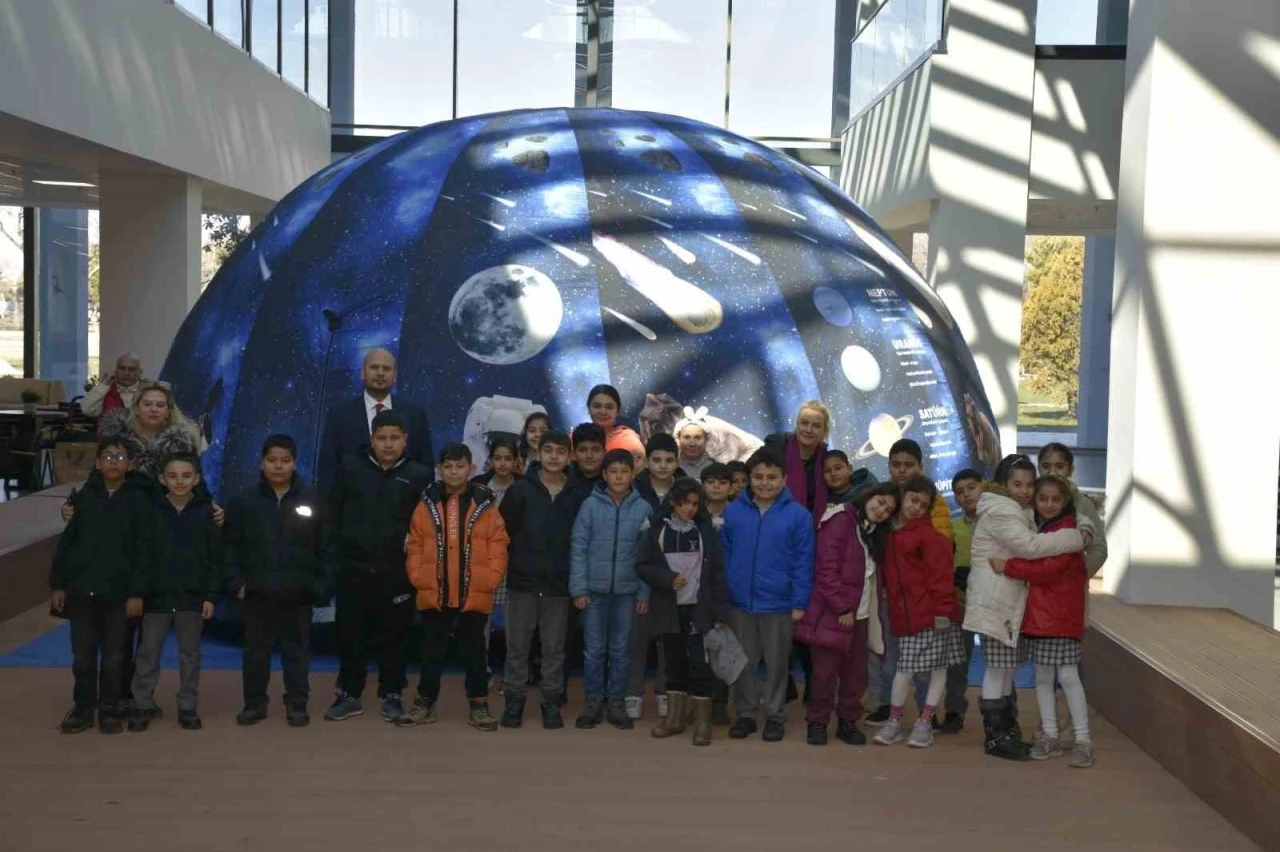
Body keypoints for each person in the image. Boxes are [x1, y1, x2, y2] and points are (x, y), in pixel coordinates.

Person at [964, 454, 1091, 760]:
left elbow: (1066, 506)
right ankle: (997, 738)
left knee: (1006, 669)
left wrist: (1084, 521)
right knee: (997, 669)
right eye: (1017, 484)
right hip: (997, 602)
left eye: (1029, 484)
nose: (1024, 490)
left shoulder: (1021, 510)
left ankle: (1007, 732)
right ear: (1003, 484)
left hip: (1009, 603)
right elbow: (1031, 547)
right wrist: (1076, 537)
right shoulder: (1002, 510)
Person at [323, 411, 433, 724]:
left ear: (405, 440)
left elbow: (427, 526)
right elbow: (332, 515)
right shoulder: (350, 467)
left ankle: (392, 693)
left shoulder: (419, 475)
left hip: (397, 572)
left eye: (394, 438)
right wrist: (334, 557)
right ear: (371, 439)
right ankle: (349, 693)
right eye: (382, 438)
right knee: (349, 634)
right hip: (353, 567)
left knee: (395, 636)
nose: (388, 444)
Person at [399, 442, 509, 731]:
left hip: (474, 591)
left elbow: (498, 543)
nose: (454, 472)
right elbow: (414, 543)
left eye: (460, 466)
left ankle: (479, 705)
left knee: (475, 652)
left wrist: (490, 578)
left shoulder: (485, 504)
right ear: (439, 470)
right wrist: (418, 577)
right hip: (435, 590)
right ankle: (425, 703)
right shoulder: (426, 504)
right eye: (448, 467)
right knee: (432, 651)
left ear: (471, 469)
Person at [49, 437, 153, 735]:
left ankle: (109, 709)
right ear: (97, 463)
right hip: (82, 593)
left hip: (119, 595)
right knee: (82, 658)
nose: (113, 461)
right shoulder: (84, 497)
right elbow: (67, 545)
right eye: (107, 456)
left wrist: (137, 592)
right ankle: (83, 709)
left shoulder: (139, 500)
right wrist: (58, 585)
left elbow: (144, 551)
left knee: (114, 658)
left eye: (120, 457)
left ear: (130, 464)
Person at [225, 435, 330, 729]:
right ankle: (254, 704)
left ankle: (296, 704)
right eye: (272, 460)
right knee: (255, 654)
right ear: (261, 463)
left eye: (285, 460)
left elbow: (326, 547)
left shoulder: (312, 500)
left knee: (296, 654)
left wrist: (320, 586)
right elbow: (229, 547)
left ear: (294, 463)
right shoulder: (244, 501)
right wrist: (235, 582)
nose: (278, 466)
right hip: (257, 592)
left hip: (298, 593)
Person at [797, 464, 898, 747]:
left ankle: (848, 722)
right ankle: (817, 722)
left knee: (856, 675)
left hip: (862, 616)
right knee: (824, 674)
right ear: (869, 496)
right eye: (880, 502)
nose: (882, 511)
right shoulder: (841, 519)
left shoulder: (873, 532)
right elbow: (825, 569)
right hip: (834, 613)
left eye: (888, 510)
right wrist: (842, 608)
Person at [722, 447, 815, 743]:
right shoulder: (733, 512)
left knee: (777, 664)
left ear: (784, 479)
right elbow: (724, 556)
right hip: (740, 602)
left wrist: (799, 602)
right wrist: (725, 593)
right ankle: (746, 714)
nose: (764, 483)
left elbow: (803, 562)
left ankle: (775, 715)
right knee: (744, 661)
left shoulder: (798, 516)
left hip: (778, 603)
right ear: (749, 478)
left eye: (772, 477)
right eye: (758, 477)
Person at [127, 452, 220, 732]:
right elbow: (140, 557)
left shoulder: (207, 514)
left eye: (186, 476)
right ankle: (142, 704)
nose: (180, 482)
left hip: (192, 598)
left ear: (197, 479)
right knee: (148, 653)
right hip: (156, 598)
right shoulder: (151, 512)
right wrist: (138, 593)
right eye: (173, 476)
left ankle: (188, 706)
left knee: (190, 655)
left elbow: (214, 559)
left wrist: (210, 596)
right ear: (161, 479)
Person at [872, 476, 967, 749]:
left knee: (928, 668)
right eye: (913, 500)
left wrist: (942, 613)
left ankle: (920, 721)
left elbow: (941, 579)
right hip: (906, 615)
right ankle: (899, 722)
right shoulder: (890, 532)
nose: (916, 507)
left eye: (923, 505)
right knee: (908, 669)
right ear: (903, 496)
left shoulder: (931, 538)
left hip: (933, 616)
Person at [635, 478, 730, 746]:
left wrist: (720, 613)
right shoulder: (656, 530)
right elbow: (642, 565)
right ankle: (674, 720)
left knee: (700, 664)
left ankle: (702, 723)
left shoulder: (706, 531)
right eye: (683, 503)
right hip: (669, 611)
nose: (689, 508)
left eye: (694, 504)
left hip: (700, 611)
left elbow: (718, 574)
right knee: (673, 664)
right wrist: (667, 579)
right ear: (672, 502)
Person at [866, 437, 953, 726]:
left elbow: (940, 552)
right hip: (888, 595)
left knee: (924, 660)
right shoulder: (884, 501)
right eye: (896, 465)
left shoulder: (935, 505)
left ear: (920, 466)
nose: (902, 470)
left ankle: (928, 712)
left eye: (908, 465)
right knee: (887, 654)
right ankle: (886, 706)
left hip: (921, 599)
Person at [498, 431, 576, 730]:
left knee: (554, 649)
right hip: (523, 582)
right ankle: (514, 701)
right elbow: (502, 534)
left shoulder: (576, 493)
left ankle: (551, 703)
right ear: (538, 454)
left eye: (560, 451)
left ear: (569, 457)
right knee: (517, 646)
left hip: (559, 585)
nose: (554, 456)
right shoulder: (520, 490)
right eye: (548, 450)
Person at [570, 448, 652, 731]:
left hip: (627, 593)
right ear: (604, 475)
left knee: (621, 650)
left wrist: (644, 593)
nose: (618, 477)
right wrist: (579, 589)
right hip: (593, 591)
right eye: (613, 472)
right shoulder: (590, 506)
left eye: (624, 472)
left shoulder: (643, 508)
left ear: (633, 475)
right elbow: (578, 548)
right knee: (593, 650)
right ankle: (593, 702)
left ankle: (616, 702)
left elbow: (647, 556)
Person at [317, 348, 433, 491]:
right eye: (374, 367)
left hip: (404, 501)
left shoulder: (415, 414)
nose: (380, 373)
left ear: (395, 375)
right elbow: (327, 468)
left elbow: (425, 466)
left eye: (386, 368)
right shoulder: (339, 415)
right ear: (362, 372)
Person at [626, 432, 683, 720]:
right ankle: (633, 693)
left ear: (677, 462)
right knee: (637, 641)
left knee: (668, 641)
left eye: (669, 460)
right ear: (646, 462)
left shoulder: (685, 491)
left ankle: (664, 692)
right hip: (640, 577)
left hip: (674, 581)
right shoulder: (633, 490)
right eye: (657, 460)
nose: (662, 466)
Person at [939, 468, 984, 735]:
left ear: (983, 488)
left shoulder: (997, 522)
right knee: (957, 662)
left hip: (991, 603)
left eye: (971, 488)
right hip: (962, 602)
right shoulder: (952, 527)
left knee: (1000, 663)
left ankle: (1005, 714)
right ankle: (954, 711)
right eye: (959, 491)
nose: (966, 495)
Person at [99, 381, 207, 482]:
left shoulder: (183, 444)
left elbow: (194, 484)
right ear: (136, 409)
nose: (153, 409)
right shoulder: (116, 439)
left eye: (160, 405)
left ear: (168, 412)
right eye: (147, 404)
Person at [473, 435, 520, 650]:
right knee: (481, 620)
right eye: (498, 458)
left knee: (514, 624)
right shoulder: (477, 486)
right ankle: (481, 667)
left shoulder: (523, 487)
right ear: (490, 460)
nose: (502, 464)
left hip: (512, 561)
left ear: (516, 461)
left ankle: (513, 668)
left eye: (508, 459)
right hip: (482, 560)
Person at [1038, 442, 1108, 577]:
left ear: (1070, 470)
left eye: (1059, 466)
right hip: (1030, 583)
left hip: (1069, 586)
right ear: (1039, 468)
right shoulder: (1030, 501)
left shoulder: (1083, 504)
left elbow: (1098, 550)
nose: (1052, 472)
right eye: (1046, 466)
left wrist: (1074, 577)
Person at [700, 462, 735, 725]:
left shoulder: (738, 515)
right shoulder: (694, 513)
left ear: (731, 487)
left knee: (724, 648)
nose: (716, 487)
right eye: (710, 482)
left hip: (729, 589)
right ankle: (700, 701)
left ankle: (721, 703)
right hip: (698, 590)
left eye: (722, 483)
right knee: (698, 651)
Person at [586, 384, 645, 462]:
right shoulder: (576, 438)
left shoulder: (629, 442)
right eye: (597, 406)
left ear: (618, 410)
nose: (603, 412)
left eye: (609, 407)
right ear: (588, 408)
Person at [79, 353, 145, 421]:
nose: (126, 373)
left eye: (132, 369)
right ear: (115, 371)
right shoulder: (104, 391)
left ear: (140, 372)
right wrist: (104, 383)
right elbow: (86, 410)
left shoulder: (147, 391)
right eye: (122, 368)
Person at [673, 411, 714, 479]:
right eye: (687, 437)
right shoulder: (669, 467)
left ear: (706, 440)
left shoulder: (714, 468)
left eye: (698, 437)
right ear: (678, 439)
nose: (692, 443)